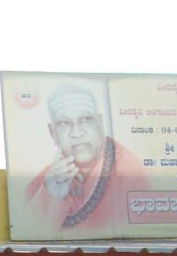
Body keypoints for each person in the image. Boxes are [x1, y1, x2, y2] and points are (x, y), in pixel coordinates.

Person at [25, 85, 147, 236]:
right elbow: (27, 236)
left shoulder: (131, 175)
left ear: (100, 124)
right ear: (52, 133)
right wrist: (50, 196)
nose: (76, 133)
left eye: (85, 120)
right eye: (64, 123)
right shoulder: (48, 178)